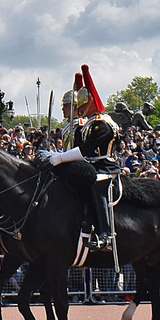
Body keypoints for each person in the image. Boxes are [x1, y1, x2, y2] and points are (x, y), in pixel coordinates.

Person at [44, 65, 120, 250]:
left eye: (84, 105)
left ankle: (104, 233)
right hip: (92, 164)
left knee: (94, 185)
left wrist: (61, 158)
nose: (81, 108)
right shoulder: (90, 124)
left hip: (105, 167)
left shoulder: (101, 125)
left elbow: (85, 150)